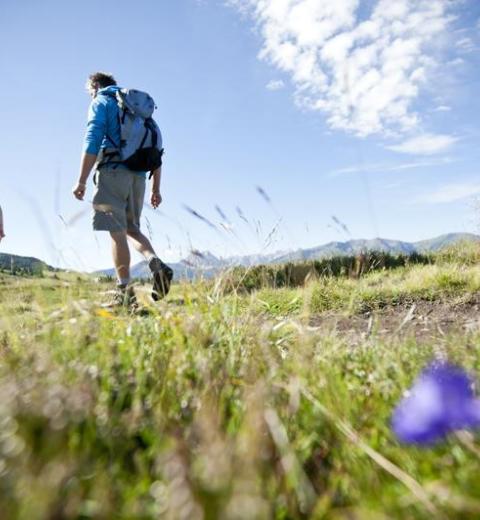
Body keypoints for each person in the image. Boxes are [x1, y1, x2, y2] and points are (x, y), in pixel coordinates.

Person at [73, 72, 173, 307]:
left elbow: (93, 139)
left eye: (90, 91)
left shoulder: (102, 102)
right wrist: (155, 189)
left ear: (95, 86)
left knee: (117, 234)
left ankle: (125, 293)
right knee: (132, 229)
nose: (90, 95)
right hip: (139, 178)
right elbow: (156, 153)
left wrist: (81, 180)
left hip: (113, 171)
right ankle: (155, 262)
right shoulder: (139, 110)